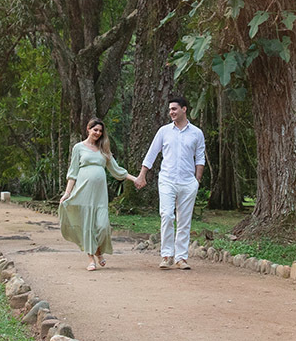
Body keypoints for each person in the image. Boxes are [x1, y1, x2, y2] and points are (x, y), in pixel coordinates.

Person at [59, 117, 140, 271]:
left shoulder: (104, 149)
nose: (97, 133)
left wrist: (134, 179)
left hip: (100, 196)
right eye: (95, 129)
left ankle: (98, 251)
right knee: (87, 226)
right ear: (88, 129)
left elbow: (117, 170)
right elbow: (73, 173)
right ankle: (91, 259)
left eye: (100, 131)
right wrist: (67, 193)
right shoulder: (78, 148)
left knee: (102, 226)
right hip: (83, 192)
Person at [137, 94, 206, 270]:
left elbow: (200, 157)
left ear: (184, 109)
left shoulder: (196, 133)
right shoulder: (164, 131)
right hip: (167, 180)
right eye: (170, 110)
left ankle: (181, 258)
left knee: (184, 220)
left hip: (188, 182)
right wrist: (142, 174)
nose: (171, 112)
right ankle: (167, 255)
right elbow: (152, 153)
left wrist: (197, 180)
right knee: (167, 215)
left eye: (174, 109)